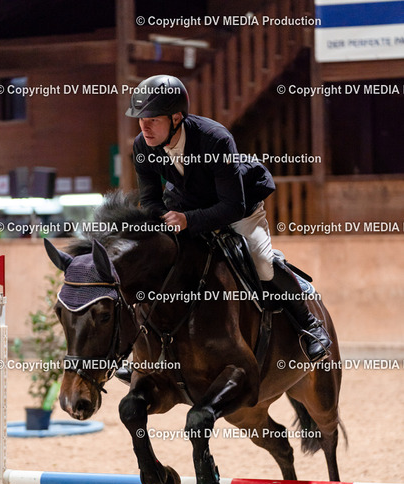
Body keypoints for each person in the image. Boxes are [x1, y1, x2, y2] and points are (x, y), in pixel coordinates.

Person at [125, 74, 331, 362]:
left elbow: (232, 206)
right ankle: (139, 349)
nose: (144, 127)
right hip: (185, 207)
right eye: (140, 120)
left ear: (176, 118)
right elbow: (149, 200)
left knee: (262, 263)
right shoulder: (142, 145)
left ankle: (310, 325)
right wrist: (165, 220)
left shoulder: (215, 138)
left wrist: (187, 221)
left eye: (153, 120)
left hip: (238, 208)